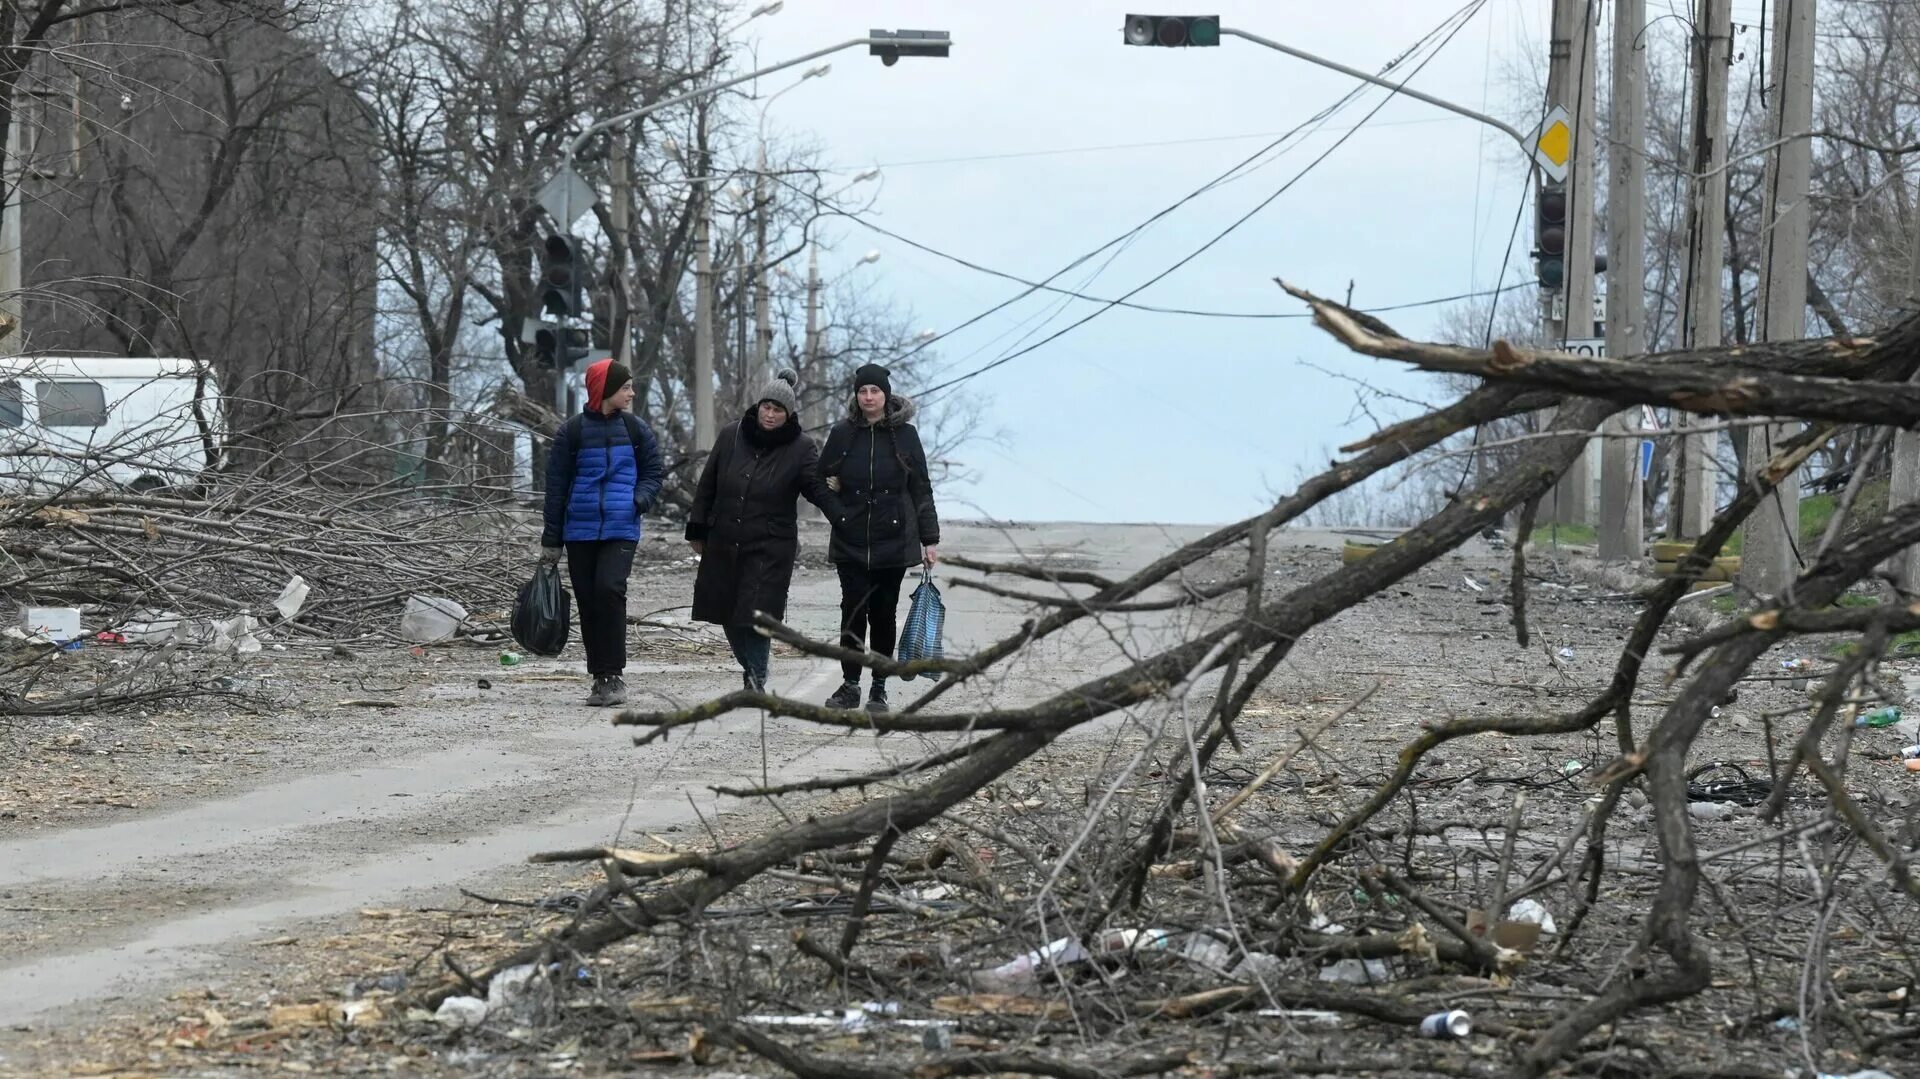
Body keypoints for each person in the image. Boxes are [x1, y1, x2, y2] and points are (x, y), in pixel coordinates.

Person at [686, 370, 836, 693]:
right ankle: (752, 667)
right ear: (759, 406)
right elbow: (707, 484)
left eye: (778, 410)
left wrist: (842, 511)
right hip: (724, 539)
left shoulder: (801, 448)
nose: (770, 414)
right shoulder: (732, 435)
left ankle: (755, 678)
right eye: (767, 407)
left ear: (789, 414)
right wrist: (697, 530)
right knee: (726, 610)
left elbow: (815, 488)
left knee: (754, 614)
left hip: (770, 545)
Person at [816, 363, 939, 714]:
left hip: (894, 538)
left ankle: (879, 688)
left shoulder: (906, 435)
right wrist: (837, 510)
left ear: (886, 395)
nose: (868, 397)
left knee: (883, 614)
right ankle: (850, 685)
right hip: (850, 537)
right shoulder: (842, 434)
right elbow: (817, 480)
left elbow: (921, 488)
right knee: (852, 611)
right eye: (863, 391)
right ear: (856, 396)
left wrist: (930, 538)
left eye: (875, 391)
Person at [540, 358, 664, 706]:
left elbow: (654, 472)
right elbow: (556, 487)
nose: (631, 393)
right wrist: (551, 539)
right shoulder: (572, 432)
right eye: (625, 387)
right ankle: (600, 677)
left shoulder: (636, 430)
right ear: (606, 390)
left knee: (609, 590)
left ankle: (615, 674)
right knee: (589, 600)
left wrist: (639, 500)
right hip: (579, 530)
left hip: (621, 527)